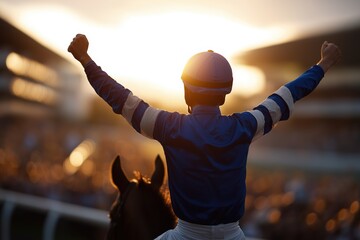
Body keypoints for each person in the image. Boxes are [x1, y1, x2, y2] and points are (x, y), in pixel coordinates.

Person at [68, 34, 341, 240]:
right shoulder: (245, 126)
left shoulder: (168, 126)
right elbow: (288, 94)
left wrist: (86, 60)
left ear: (187, 89)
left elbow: (118, 97)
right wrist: (323, 64)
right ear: (225, 92)